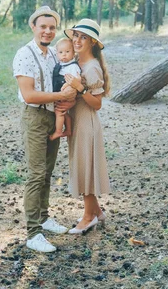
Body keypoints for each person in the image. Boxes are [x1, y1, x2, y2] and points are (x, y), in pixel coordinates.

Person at [12, 6, 77, 252]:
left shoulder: (53, 54)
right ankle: (33, 233)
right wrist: (61, 94)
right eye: (43, 27)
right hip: (35, 118)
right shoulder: (24, 54)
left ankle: (44, 217)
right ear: (33, 27)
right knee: (36, 174)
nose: (48, 31)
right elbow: (28, 94)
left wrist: (67, 100)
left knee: (48, 171)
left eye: (52, 27)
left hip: (53, 115)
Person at [62, 18, 111, 234]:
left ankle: (88, 216)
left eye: (83, 37)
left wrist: (81, 89)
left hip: (87, 123)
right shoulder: (76, 63)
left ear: (92, 42)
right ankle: (97, 212)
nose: (78, 40)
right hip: (77, 120)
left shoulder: (92, 67)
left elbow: (97, 104)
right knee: (83, 167)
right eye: (76, 35)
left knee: (86, 170)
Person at [49, 38, 81, 141]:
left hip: (67, 93)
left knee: (59, 112)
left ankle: (58, 132)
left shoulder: (73, 66)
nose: (64, 55)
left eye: (67, 52)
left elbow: (77, 79)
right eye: (61, 52)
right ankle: (68, 129)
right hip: (60, 93)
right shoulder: (61, 64)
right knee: (64, 113)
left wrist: (66, 86)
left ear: (73, 52)